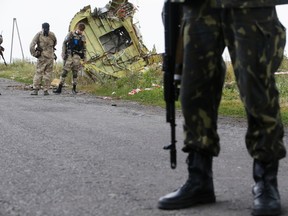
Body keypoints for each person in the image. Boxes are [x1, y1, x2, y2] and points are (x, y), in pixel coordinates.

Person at [158, 1, 287, 216]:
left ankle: (266, 182)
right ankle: (199, 179)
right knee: (193, 91)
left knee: (256, 89)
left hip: (249, 6)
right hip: (199, 7)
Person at [53, 22, 87, 95]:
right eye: (80, 30)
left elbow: (84, 48)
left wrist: (85, 58)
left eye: (82, 30)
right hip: (69, 56)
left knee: (75, 73)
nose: (80, 31)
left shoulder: (83, 37)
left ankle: (74, 88)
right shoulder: (71, 34)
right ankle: (59, 87)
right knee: (64, 72)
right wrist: (63, 53)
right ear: (77, 28)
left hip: (77, 57)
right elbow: (64, 43)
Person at [30, 22, 57, 96]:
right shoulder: (51, 35)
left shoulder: (40, 34)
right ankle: (45, 90)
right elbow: (55, 43)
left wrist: (34, 54)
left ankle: (36, 90)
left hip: (43, 57)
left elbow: (32, 45)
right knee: (47, 74)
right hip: (48, 57)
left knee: (39, 73)